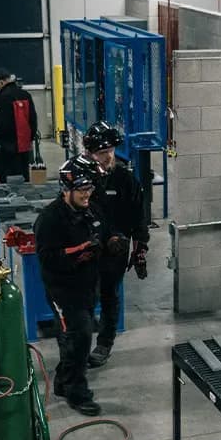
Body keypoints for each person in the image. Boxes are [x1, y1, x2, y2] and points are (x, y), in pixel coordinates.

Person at [34, 155, 106, 416]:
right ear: (67, 190)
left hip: (87, 287)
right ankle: (77, 392)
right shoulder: (50, 219)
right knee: (80, 337)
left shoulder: (91, 211)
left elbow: (102, 235)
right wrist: (78, 252)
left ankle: (64, 382)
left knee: (75, 337)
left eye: (90, 189)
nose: (87, 194)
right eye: (82, 190)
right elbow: (46, 258)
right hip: (62, 291)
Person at [82, 121, 150, 368]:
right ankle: (79, 344)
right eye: (102, 152)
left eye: (110, 150)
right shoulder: (80, 178)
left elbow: (138, 215)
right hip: (86, 250)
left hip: (115, 251)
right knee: (84, 297)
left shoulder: (124, 179)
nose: (108, 156)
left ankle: (104, 343)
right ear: (89, 153)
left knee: (109, 296)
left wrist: (140, 247)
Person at [0, 68, 38, 180]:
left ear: (1, 81)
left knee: (9, 177)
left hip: (8, 146)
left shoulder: (3, 97)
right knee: (23, 174)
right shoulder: (25, 95)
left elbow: (3, 123)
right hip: (24, 144)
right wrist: (30, 137)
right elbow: (33, 119)